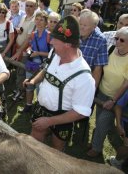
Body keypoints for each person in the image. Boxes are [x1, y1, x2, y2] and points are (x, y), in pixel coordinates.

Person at [25, 15, 95, 151]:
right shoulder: (54, 53)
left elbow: (81, 112)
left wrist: (49, 121)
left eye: (54, 40)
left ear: (68, 45)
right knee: (31, 147)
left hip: (62, 118)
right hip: (41, 109)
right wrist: (33, 81)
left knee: (56, 153)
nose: (51, 43)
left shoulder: (84, 77)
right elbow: (46, 70)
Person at [87, 26, 128, 158]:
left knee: (103, 121)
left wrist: (113, 100)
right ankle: (95, 142)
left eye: (122, 40)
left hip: (116, 99)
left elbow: (125, 84)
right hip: (102, 92)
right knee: (99, 120)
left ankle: (96, 148)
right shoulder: (111, 49)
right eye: (116, 38)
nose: (117, 42)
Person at [21, 11, 51, 113]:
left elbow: (52, 54)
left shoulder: (49, 36)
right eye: (37, 19)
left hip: (42, 66)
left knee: (40, 88)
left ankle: (39, 108)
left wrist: (38, 53)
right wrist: (29, 50)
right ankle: (28, 105)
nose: (38, 22)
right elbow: (30, 46)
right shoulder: (33, 35)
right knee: (29, 85)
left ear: (46, 22)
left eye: (41, 20)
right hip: (31, 63)